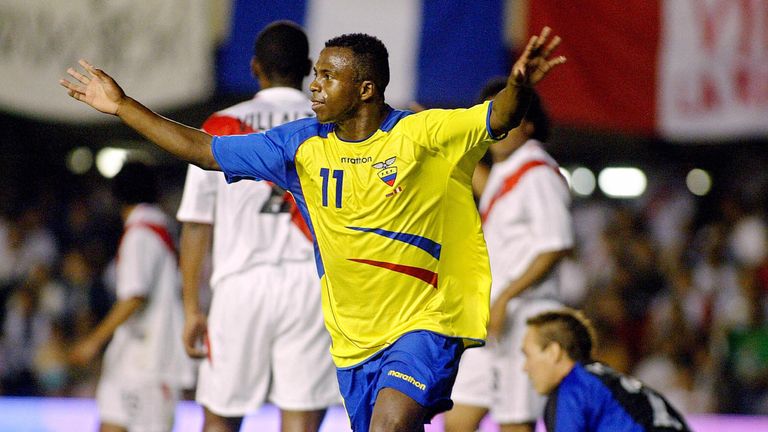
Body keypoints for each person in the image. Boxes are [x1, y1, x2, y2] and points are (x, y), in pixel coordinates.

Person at [60, 26, 565, 432]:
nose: (314, 85)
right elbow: (203, 151)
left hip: (426, 322)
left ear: (365, 89)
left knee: (393, 421)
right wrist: (122, 105)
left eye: (328, 75)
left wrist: (519, 86)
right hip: (352, 341)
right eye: (315, 73)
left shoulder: (422, 134)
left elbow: (496, 117)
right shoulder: (300, 144)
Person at [175, 21, 339, 432]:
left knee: (220, 417)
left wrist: (193, 307)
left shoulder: (220, 126)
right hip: (313, 285)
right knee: (300, 417)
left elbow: (197, 225)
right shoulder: (330, 126)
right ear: (307, 68)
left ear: (254, 67)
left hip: (238, 286)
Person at [445, 81, 573, 432]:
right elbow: (492, 190)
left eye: (507, 116)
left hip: (527, 318)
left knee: (515, 425)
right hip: (493, 319)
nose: (497, 124)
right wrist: (445, 140)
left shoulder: (539, 173)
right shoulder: (508, 170)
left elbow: (555, 244)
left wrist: (504, 298)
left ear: (528, 124)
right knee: (457, 421)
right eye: (491, 115)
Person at [69, 162, 195, 432]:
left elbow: (134, 295)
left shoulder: (141, 234)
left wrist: (93, 341)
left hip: (149, 361)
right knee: (110, 422)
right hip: (131, 356)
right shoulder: (156, 228)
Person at [522, 308, 692, 431]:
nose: (525, 367)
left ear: (554, 352)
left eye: (528, 355)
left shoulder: (571, 388)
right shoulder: (605, 382)